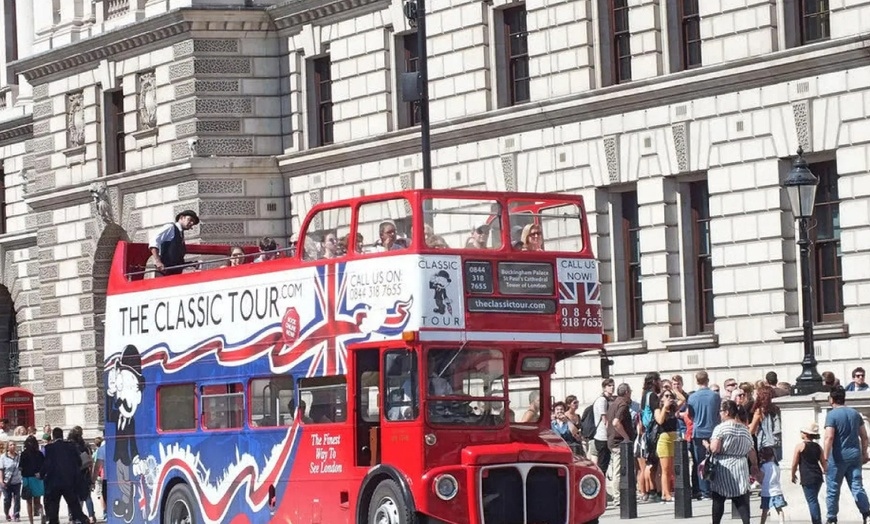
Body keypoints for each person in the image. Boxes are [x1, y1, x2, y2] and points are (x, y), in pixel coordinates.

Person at [704, 399, 759, 524]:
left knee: (719, 498)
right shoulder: (744, 429)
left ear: (727, 412)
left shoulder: (721, 428)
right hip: (741, 465)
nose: (720, 414)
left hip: (724, 465)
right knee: (741, 499)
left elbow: (715, 448)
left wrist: (707, 445)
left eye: (721, 411)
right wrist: (754, 465)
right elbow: (751, 450)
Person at [823, 387, 870, 524]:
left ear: (831, 399)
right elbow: (864, 436)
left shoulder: (832, 415)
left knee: (833, 489)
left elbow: (829, 437)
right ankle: (866, 513)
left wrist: (825, 458)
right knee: (857, 486)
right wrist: (864, 453)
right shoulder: (855, 413)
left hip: (838, 457)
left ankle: (831, 517)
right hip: (854, 455)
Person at [40, 427, 88, 524]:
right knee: (74, 506)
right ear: (62, 435)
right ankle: (84, 520)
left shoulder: (49, 448)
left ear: (53, 437)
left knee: (53, 508)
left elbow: (47, 464)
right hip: (69, 482)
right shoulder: (71, 446)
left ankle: (54, 521)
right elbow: (79, 462)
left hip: (54, 482)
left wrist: (41, 474)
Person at [688, 371, 722, 500]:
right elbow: (718, 413)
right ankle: (716, 487)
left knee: (700, 462)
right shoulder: (715, 396)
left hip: (698, 432)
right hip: (713, 431)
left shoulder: (692, 397)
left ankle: (704, 491)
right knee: (715, 460)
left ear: (697, 381)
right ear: (707, 380)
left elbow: (690, 415)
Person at [606, 383, 635, 508]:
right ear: (627, 392)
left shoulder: (613, 404)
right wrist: (626, 437)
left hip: (613, 441)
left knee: (617, 469)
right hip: (619, 443)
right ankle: (617, 498)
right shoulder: (622, 404)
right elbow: (615, 422)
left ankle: (619, 495)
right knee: (618, 470)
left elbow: (607, 423)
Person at [791, 422, 826, 524]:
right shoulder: (818, 447)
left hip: (807, 476)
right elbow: (823, 462)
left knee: (812, 501)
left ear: (806, 434)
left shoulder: (800, 446)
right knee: (814, 499)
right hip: (817, 475)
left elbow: (794, 463)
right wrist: (826, 471)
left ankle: (816, 521)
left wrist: (793, 475)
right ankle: (817, 520)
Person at [148, 209, 200, 275]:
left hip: (174, 274)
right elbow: (153, 241)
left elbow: (176, 260)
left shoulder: (180, 234)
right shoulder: (170, 227)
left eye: (193, 222)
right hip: (164, 273)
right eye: (190, 219)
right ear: (181, 218)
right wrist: (158, 262)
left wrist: (191, 264)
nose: (192, 223)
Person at [655, 388, 680, 503]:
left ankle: (668, 491)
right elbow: (660, 421)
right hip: (664, 439)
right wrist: (665, 407)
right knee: (665, 469)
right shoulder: (658, 409)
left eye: (670, 396)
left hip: (674, 437)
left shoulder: (673, 409)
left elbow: (683, 399)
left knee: (672, 469)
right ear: (661, 399)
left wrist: (675, 389)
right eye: (666, 396)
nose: (669, 397)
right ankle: (666, 494)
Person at [68, 427, 95, 524]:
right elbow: (90, 461)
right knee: (87, 496)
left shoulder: (70, 446)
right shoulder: (86, 446)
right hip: (85, 473)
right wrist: (91, 476)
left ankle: (75, 516)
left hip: (74, 474)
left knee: (74, 497)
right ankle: (91, 516)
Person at [750, 385, 783, 461]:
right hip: (777, 442)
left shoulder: (760, 411)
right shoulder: (777, 409)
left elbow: (752, 430)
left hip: (765, 443)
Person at [592, 379, 615, 476]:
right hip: (602, 436)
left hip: (604, 435)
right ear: (604, 387)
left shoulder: (609, 399)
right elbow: (604, 418)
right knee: (602, 464)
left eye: (613, 385)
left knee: (605, 463)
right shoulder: (602, 400)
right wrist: (610, 433)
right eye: (609, 385)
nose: (612, 387)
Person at [759, 446, 787, 524]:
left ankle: (762, 523)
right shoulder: (777, 466)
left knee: (765, 510)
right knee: (779, 509)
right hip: (777, 490)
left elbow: (761, 479)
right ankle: (782, 522)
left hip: (766, 491)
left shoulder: (763, 467)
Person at [19, 435, 43, 524]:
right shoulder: (39, 454)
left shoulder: (24, 454)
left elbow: (20, 467)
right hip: (37, 479)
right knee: (37, 501)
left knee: (29, 502)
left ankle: (31, 522)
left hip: (27, 479)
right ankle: (41, 511)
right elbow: (43, 466)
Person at [0, 440, 21, 521]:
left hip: (17, 481)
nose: (13, 446)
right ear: (8, 447)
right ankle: (6, 513)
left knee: (17, 498)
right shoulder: (3, 457)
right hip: (6, 481)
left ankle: (16, 515)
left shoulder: (18, 456)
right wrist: (1, 481)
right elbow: (1, 470)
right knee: (7, 499)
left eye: (14, 444)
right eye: (11, 445)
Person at [92, 436, 106, 521]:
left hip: (105, 477)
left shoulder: (102, 449)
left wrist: (93, 480)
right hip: (120, 478)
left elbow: (97, 466)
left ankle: (106, 514)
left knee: (103, 495)